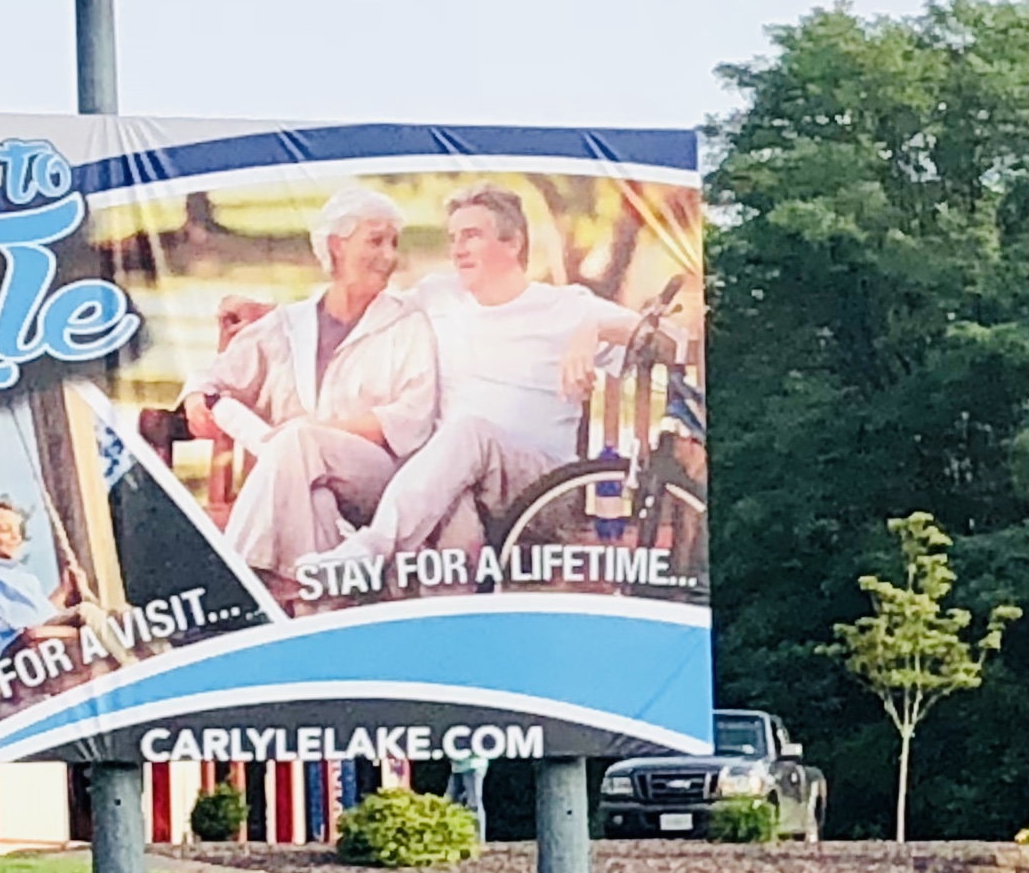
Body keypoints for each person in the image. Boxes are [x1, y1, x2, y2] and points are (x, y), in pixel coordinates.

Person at [311, 184, 670, 573]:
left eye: (472, 236)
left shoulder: (566, 308)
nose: (458, 249)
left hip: (541, 491)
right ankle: (441, 621)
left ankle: (371, 551)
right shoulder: (438, 296)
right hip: (458, 481)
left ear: (513, 242)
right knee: (453, 522)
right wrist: (268, 314)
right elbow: (361, 309)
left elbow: (664, 340)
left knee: (470, 433)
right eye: (453, 238)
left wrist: (595, 330)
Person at [176, 186, 443, 581]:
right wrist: (197, 395)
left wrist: (317, 433)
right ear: (336, 246)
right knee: (313, 501)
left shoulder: (406, 323)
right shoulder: (287, 325)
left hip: (379, 481)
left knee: (299, 441)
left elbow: (413, 417)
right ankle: (314, 600)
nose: (389, 256)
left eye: (393, 243)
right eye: (375, 241)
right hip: (304, 481)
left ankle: (231, 579)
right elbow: (215, 375)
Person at [0, 499, 99, 657]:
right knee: (89, 615)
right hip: (24, 643)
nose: (16, 537)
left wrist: (64, 590)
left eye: (18, 531)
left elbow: (42, 614)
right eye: (6, 530)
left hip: (43, 629)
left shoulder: (21, 576)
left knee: (97, 624)